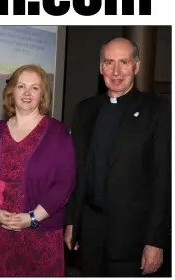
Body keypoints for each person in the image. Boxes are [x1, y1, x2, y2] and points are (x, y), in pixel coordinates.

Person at [64, 38, 171, 276]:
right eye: (109, 62)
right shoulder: (85, 110)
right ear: (101, 68)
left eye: (124, 62)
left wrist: (156, 241)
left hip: (133, 236)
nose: (116, 71)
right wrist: (73, 221)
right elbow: (77, 171)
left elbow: (163, 180)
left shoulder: (158, 112)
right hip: (90, 230)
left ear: (136, 66)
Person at [0, 64, 76, 277]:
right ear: (12, 91)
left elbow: (64, 183)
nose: (27, 93)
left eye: (34, 88)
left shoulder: (58, 133)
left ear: (43, 95)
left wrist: (32, 218)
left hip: (41, 235)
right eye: (21, 86)